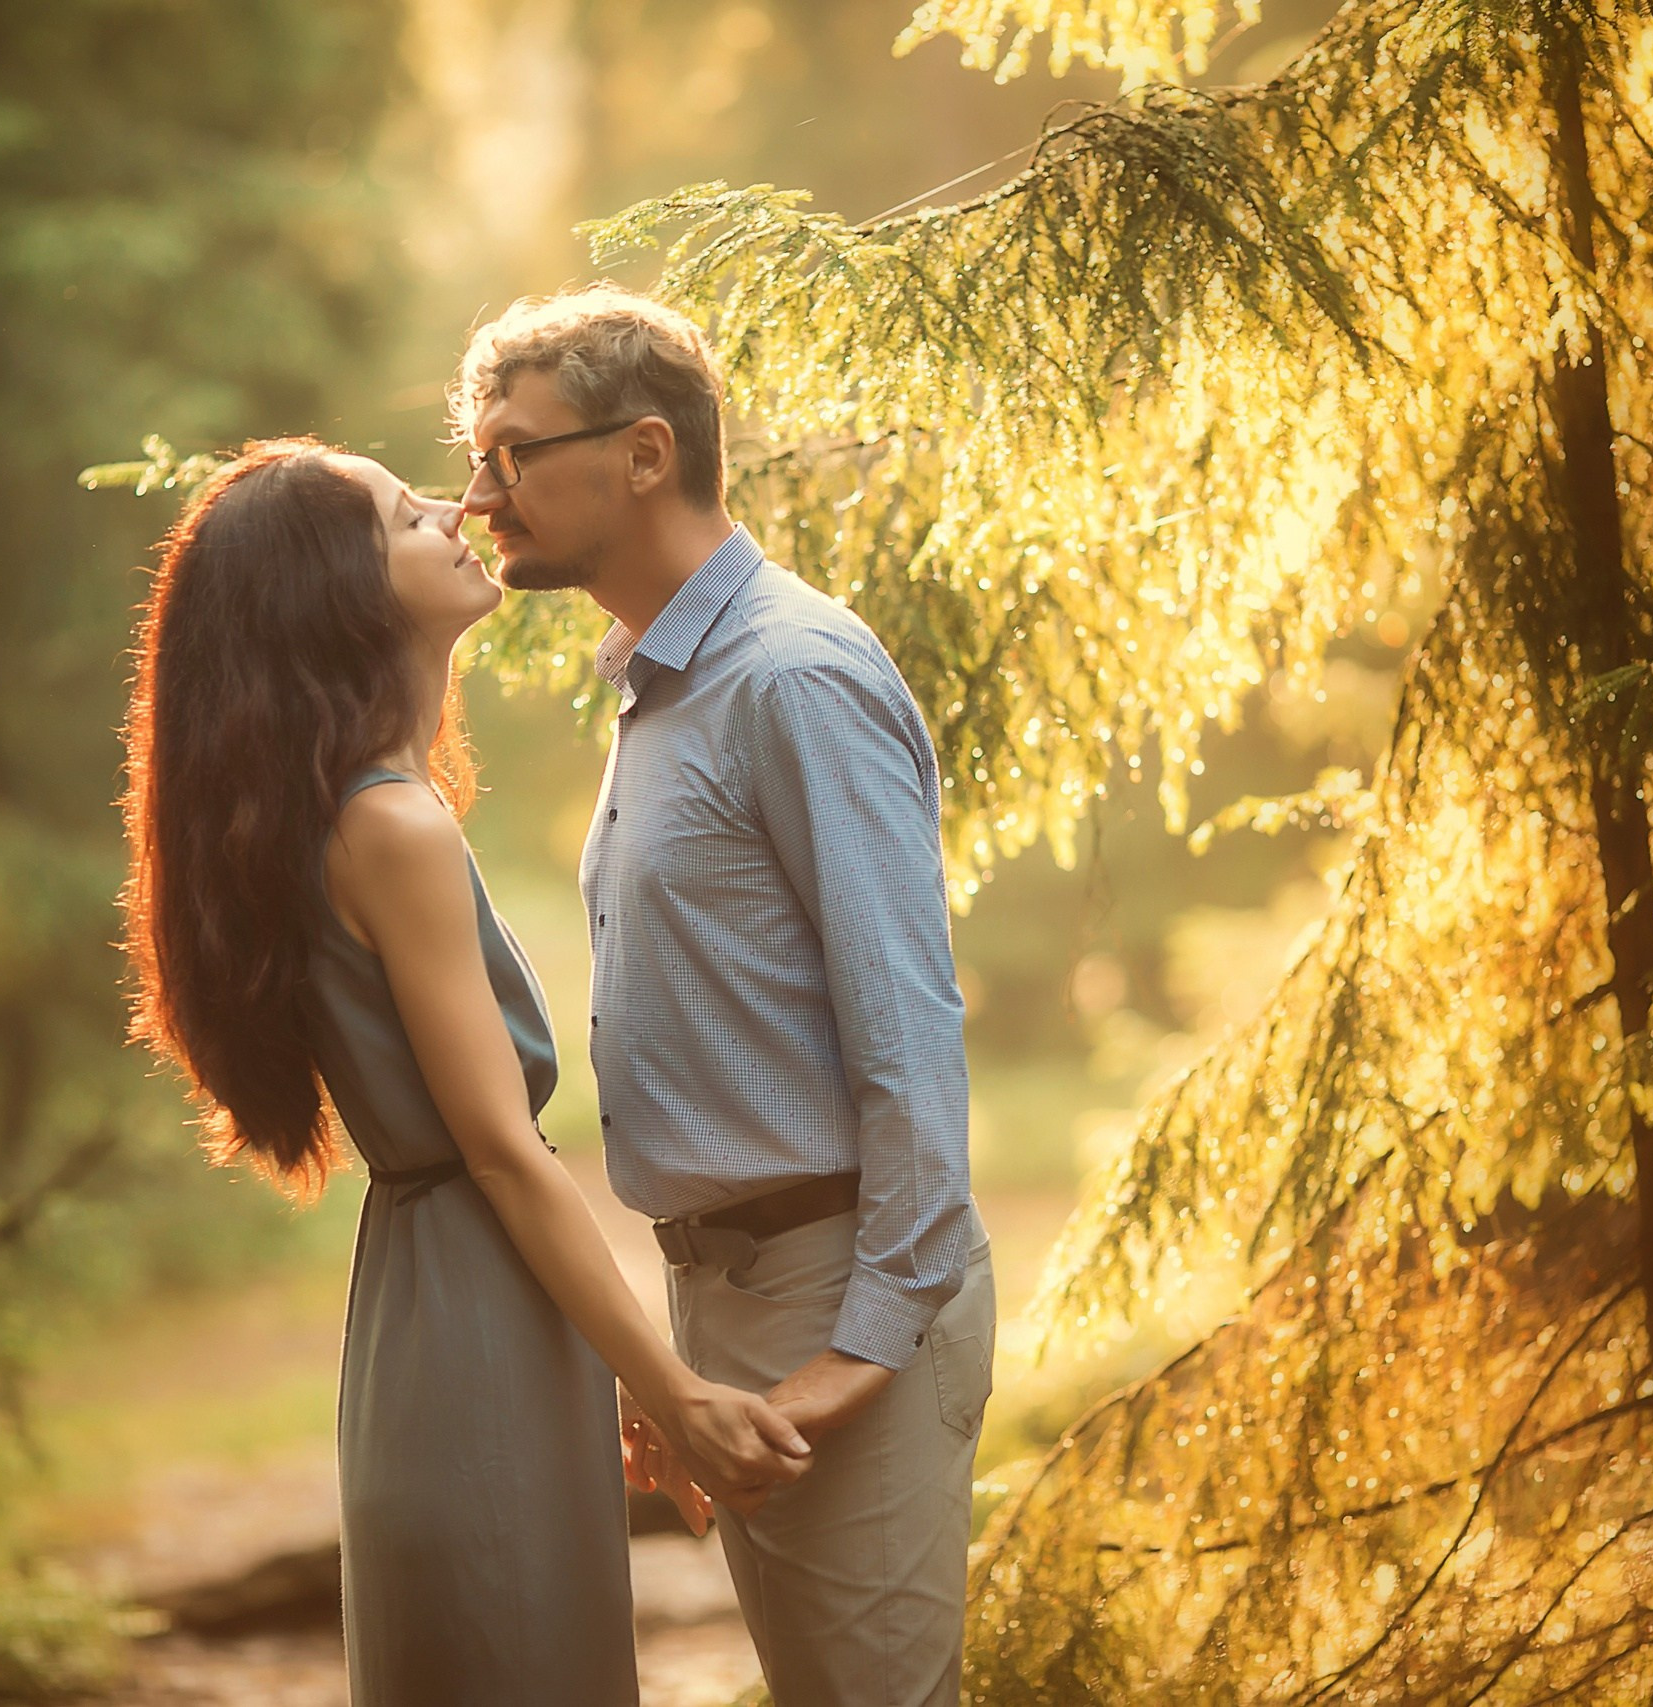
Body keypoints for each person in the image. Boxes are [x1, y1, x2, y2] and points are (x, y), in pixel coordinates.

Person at [116, 438, 812, 1707]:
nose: (456, 510)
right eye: (400, 514)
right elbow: (503, 1151)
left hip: (437, 1316)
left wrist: (613, 1371)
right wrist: (675, 1390)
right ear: (336, 595)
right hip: (470, 1322)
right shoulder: (390, 826)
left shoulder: (357, 809)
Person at [456, 287, 996, 1707]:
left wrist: (849, 1360)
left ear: (644, 453)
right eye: (477, 454)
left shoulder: (791, 675)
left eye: (513, 452)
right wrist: (685, 1359)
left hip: (838, 1296)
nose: (479, 491)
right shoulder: (662, 683)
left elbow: (911, 1036)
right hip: (735, 1297)